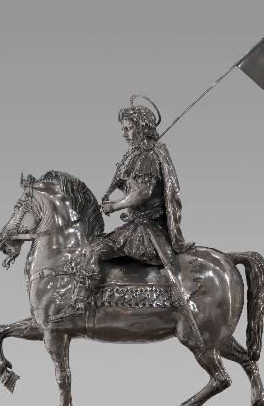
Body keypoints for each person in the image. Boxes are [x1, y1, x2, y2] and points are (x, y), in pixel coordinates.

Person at [76, 95, 191, 301]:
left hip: (146, 230)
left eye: (129, 128)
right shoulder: (138, 154)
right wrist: (112, 190)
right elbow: (128, 181)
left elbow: (143, 193)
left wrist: (115, 206)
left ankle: (84, 302)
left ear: (142, 128)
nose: (124, 134)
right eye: (123, 129)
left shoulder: (147, 156)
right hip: (136, 225)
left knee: (95, 250)